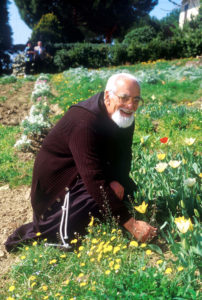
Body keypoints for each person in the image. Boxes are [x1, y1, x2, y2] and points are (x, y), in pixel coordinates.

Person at [5, 73, 157, 252]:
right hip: (56, 192)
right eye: (124, 98)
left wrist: (118, 181)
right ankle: (50, 226)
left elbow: (124, 158)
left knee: (127, 192)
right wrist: (131, 224)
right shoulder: (83, 121)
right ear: (108, 96)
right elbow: (93, 177)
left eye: (136, 100)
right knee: (89, 209)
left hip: (81, 174)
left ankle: (103, 216)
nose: (131, 106)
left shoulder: (124, 117)